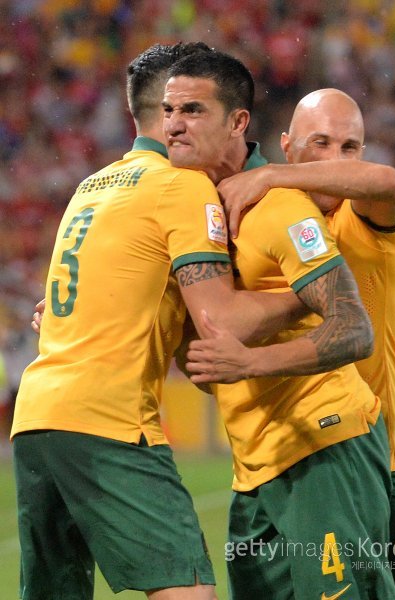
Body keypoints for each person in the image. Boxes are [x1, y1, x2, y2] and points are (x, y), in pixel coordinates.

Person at [11, 42, 311, 600]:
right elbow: (220, 323)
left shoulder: (89, 188)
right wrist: (305, 297)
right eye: (182, 106)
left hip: (37, 420)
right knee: (188, 591)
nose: (182, 119)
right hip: (110, 422)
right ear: (166, 108)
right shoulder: (179, 185)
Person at [187, 88, 395, 599]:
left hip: (378, 457)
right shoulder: (261, 225)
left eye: (350, 147)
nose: (336, 158)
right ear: (288, 144)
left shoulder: (363, 219)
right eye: (320, 143)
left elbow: (388, 181)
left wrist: (271, 174)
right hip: (287, 457)